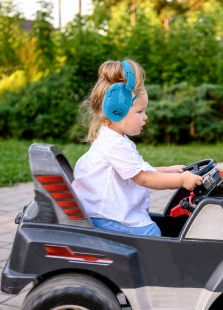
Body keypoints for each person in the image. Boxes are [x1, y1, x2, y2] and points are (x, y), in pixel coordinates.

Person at [72, 59, 202, 236]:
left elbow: (137, 171)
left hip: (104, 213)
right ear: (117, 112)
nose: (145, 117)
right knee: (152, 233)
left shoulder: (113, 139)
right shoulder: (115, 145)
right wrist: (181, 181)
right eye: (140, 112)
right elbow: (144, 179)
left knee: (158, 225)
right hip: (105, 218)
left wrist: (169, 171)